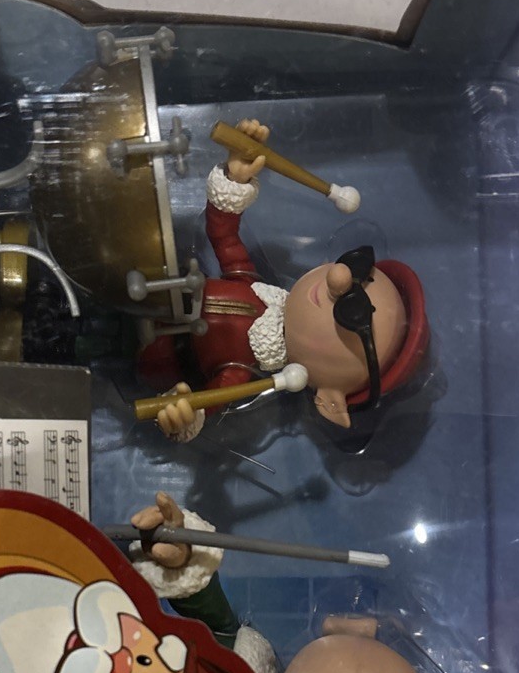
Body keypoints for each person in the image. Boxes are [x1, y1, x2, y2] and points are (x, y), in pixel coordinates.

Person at [138, 121, 429, 440]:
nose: (339, 275)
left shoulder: (242, 370)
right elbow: (223, 235)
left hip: (152, 356)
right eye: (355, 266)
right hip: (149, 287)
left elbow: (209, 401)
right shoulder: (252, 287)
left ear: (329, 398)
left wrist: (184, 415)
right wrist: (235, 178)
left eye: (352, 311)